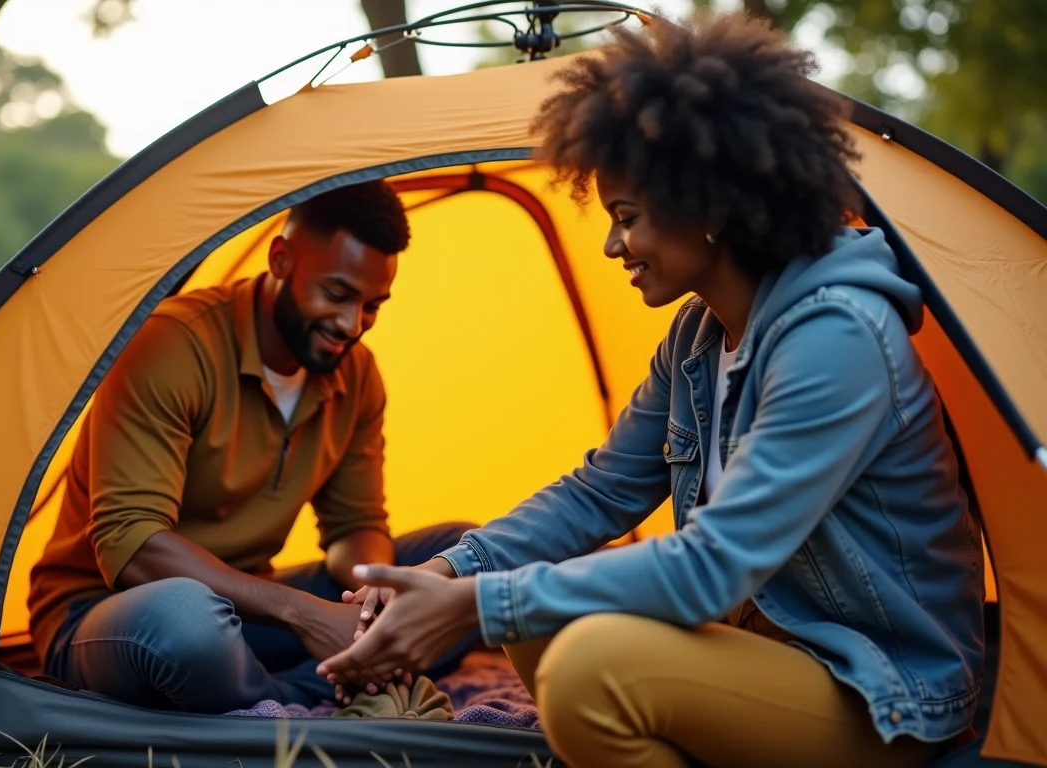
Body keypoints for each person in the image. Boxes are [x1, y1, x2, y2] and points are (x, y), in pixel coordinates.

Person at [318, 12, 986, 768]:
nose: (612, 246)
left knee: (586, 672)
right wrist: (444, 573)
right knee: (542, 616)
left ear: (708, 206)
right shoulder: (698, 338)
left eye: (626, 218)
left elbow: (715, 565)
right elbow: (598, 493)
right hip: (765, 641)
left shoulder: (838, 338)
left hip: (881, 689)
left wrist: (473, 606)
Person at [27, 179, 477, 714]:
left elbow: (354, 528)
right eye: (336, 295)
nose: (351, 324)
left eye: (372, 305)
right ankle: (302, 699)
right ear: (281, 259)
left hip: (250, 610)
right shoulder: (171, 345)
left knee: (470, 560)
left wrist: (376, 600)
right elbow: (132, 544)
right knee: (188, 623)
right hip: (112, 611)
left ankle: (282, 696)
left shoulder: (356, 376)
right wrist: (305, 613)